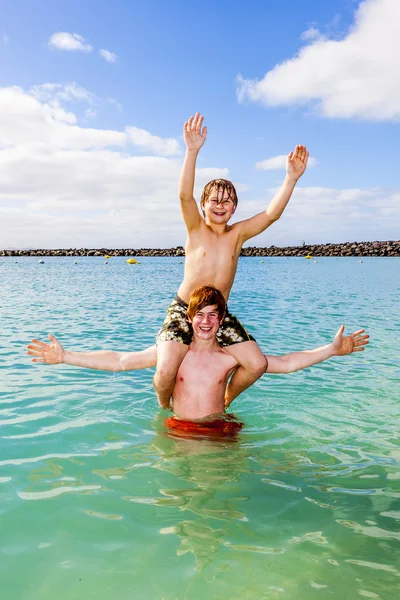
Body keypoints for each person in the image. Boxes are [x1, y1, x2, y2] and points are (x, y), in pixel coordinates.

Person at [27, 286, 369, 435]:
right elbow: (119, 360)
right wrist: (66, 356)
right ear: (189, 318)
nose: (206, 321)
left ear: (222, 321)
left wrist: (331, 350)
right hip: (181, 429)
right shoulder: (174, 354)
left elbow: (285, 362)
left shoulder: (227, 358)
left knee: (226, 492)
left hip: (221, 427)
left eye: (213, 315)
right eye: (199, 314)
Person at [154, 113, 310, 409]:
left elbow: (271, 215)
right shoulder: (195, 228)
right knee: (164, 372)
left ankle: (225, 399)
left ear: (234, 207)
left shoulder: (238, 234)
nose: (220, 205)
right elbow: (183, 195)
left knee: (256, 364)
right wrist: (192, 151)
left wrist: (290, 178)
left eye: (227, 201)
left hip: (218, 313)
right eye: (214, 200)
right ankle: (166, 404)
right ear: (204, 205)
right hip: (184, 309)